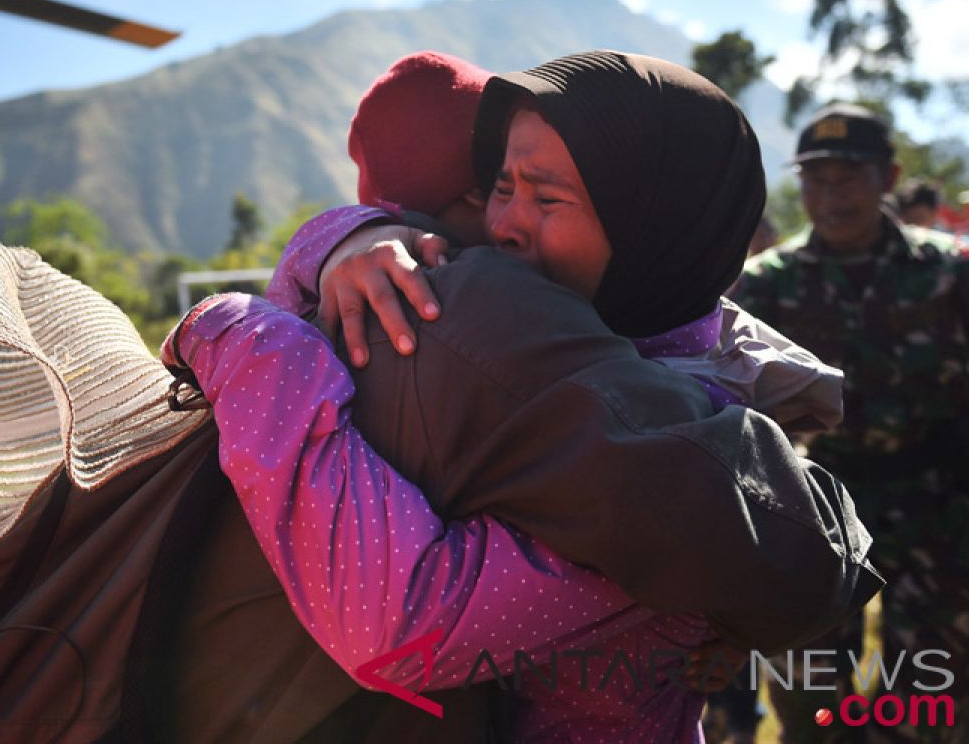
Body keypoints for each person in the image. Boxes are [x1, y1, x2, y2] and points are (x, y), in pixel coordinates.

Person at [166, 51, 876, 741]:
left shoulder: (658, 450)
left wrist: (242, 335)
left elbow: (401, 628)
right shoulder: (608, 341)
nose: (502, 227)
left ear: (654, 224)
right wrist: (352, 236)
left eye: (546, 196)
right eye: (499, 187)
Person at [730, 103, 969, 742]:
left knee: (933, 683)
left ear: (888, 178)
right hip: (817, 506)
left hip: (936, 504)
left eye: (848, 178)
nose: (829, 196)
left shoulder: (949, 274)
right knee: (806, 685)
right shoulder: (765, 286)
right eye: (816, 180)